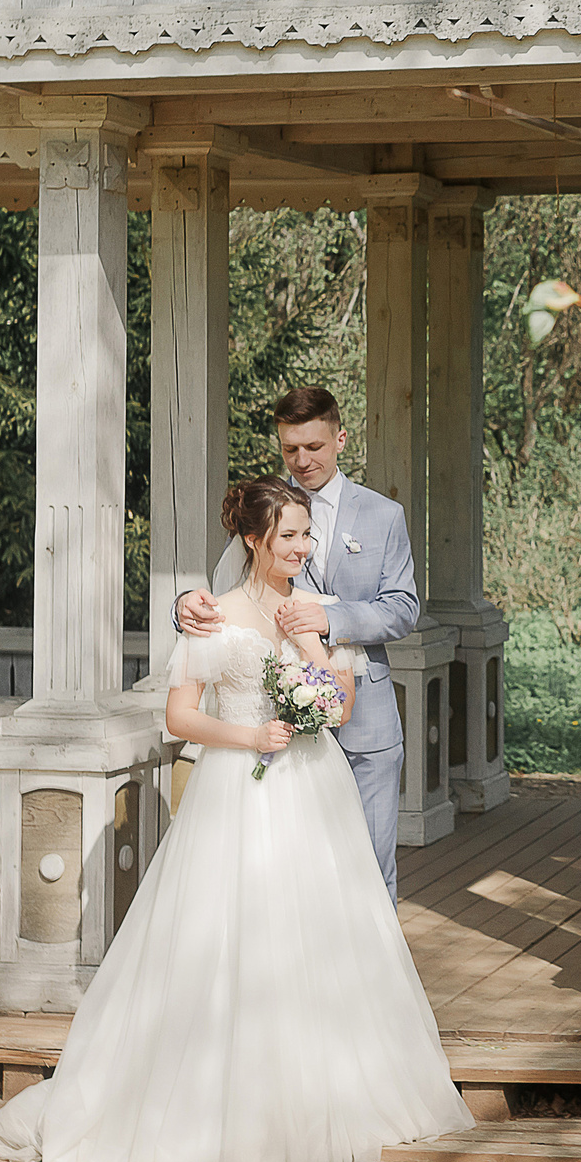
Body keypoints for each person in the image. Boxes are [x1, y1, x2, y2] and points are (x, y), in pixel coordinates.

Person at [0, 475, 472, 1162]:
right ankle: (225, 1101)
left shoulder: (306, 609)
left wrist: (321, 695)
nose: (302, 548)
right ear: (253, 539)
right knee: (235, 930)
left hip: (314, 785)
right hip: (239, 790)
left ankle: (327, 1089)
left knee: (325, 934)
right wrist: (250, 732)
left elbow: (337, 698)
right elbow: (180, 717)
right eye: (289, 536)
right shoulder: (214, 616)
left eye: (307, 534)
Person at [175, 385, 419, 900]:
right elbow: (231, 592)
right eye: (291, 449)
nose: (302, 460)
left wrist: (329, 622)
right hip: (279, 736)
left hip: (364, 716)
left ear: (340, 439)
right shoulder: (264, 509)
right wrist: (183, 607)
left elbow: (403, 609)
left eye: (314, 447)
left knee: (370, 871)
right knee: (296, 881)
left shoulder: (382, 516)